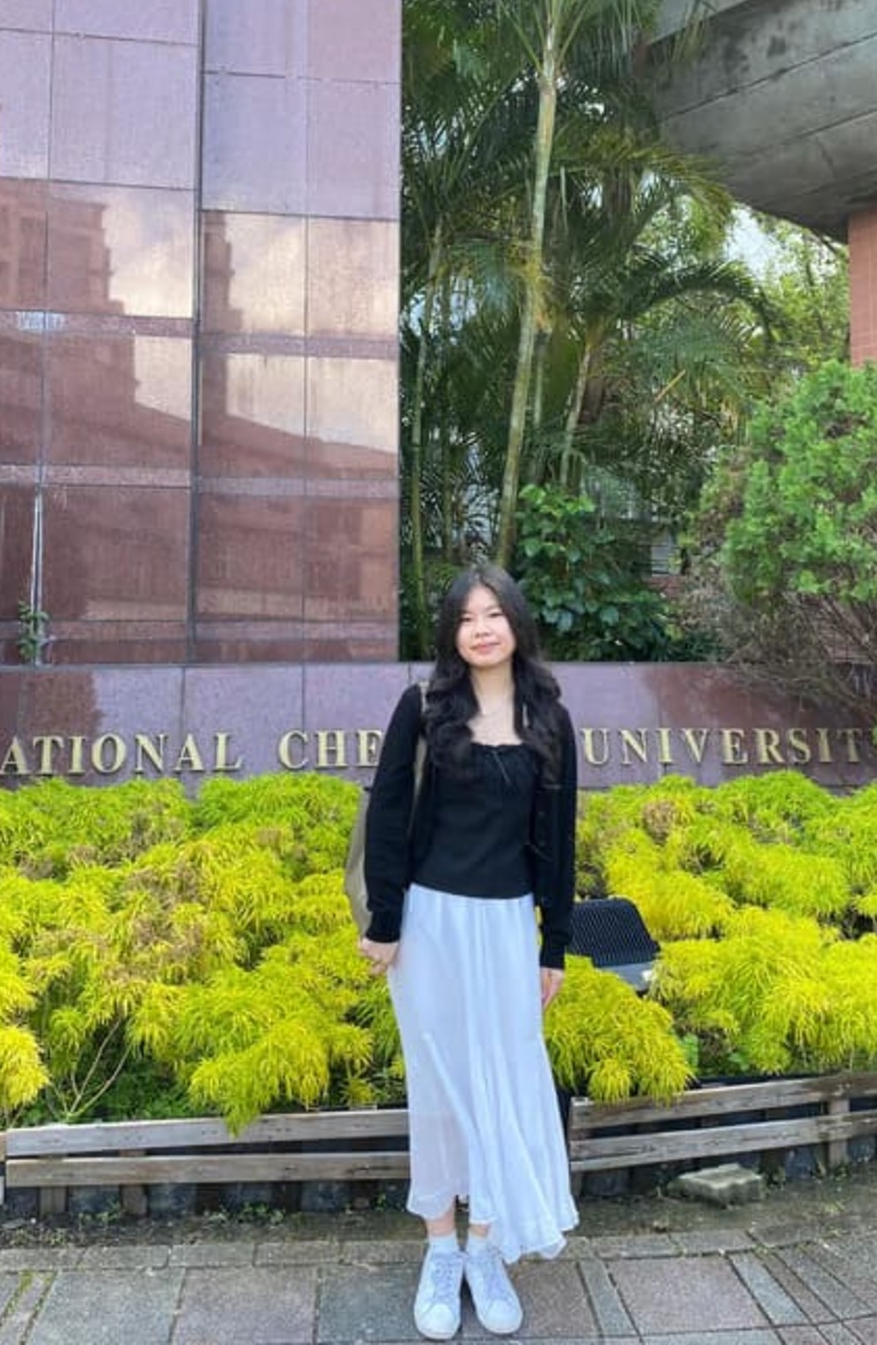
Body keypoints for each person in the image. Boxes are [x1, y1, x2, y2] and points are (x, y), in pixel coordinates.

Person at [359, 563, 579, 1340]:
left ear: (516, 623)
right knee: (441, 1091)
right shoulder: (422, 709)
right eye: (466, 618)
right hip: (430, 927)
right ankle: (441, 1250)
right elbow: (389, 813)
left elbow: (560, 840)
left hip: (509, 928)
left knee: (502, 1089)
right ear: (451, 633)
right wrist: (386, 922)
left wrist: (555, 944)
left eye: (494, 614)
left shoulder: (549, 718)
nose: (482, 629)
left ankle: (486, 1249)